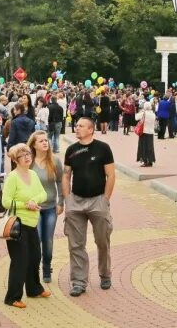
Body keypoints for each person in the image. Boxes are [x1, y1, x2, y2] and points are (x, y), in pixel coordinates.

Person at [62, 117, 115, 297]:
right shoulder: (71, 150)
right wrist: (68, 199)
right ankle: (78, 282)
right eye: (76, 125)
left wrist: (105, 199)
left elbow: (111, 175)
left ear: (91, 129)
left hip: (97, 200)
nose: (76, 128)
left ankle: (105, 274)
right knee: (75, 244)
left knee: (102, 240)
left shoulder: (103, 149)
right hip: (76, 201)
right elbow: (66, 175)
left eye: (80, 126)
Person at [1, 143, 50, 308]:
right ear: (16, 160)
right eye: (23, 155)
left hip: (31, 224)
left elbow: (43, 193)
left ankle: (34, 289)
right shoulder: (12, 177)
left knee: (35, 257)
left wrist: (34, 201)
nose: (28, 157)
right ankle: (12, 297)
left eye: (28, 153)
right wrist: (25, 204)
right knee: (20, 261)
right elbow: (6, 201)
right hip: (17, 225)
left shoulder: (33, 174)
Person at [28, 131, 63, 283]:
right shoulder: (28, 162)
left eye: (46, 140)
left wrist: (61, 202)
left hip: (50, 208)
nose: (45, 143)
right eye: (41, 141)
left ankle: (47, 268)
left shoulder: (54, 161)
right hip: (33, 209)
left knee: (48, 241)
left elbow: (61, 181)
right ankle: (33, 269)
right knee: (37, 240)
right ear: (34, 144)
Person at [135, 102, 156, 167]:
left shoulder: (143, 113)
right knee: (150, 147)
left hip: (144, 132)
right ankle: (150, 161)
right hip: (151, 132)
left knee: (143, 147)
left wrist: (141, 111)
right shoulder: (153, 114)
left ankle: (145, 161)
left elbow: (136, 117)